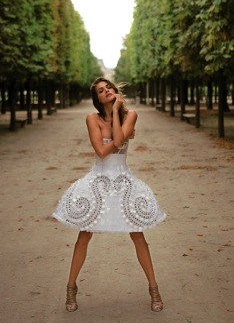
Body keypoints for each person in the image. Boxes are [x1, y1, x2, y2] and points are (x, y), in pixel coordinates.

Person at [53, 77, 166, 313]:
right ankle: (71, 288)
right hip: (99, 181)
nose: (107, 91)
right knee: (84, 235)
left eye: (109, 88)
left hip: (124, 182)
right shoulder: (91, 119)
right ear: (96, 98)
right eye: (101, 91)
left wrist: (116, 113)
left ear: (115, 91)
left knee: (138, 235)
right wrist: (121, 134)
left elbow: (116, 140)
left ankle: (154, 288)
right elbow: (104, 151)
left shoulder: (131, 115)